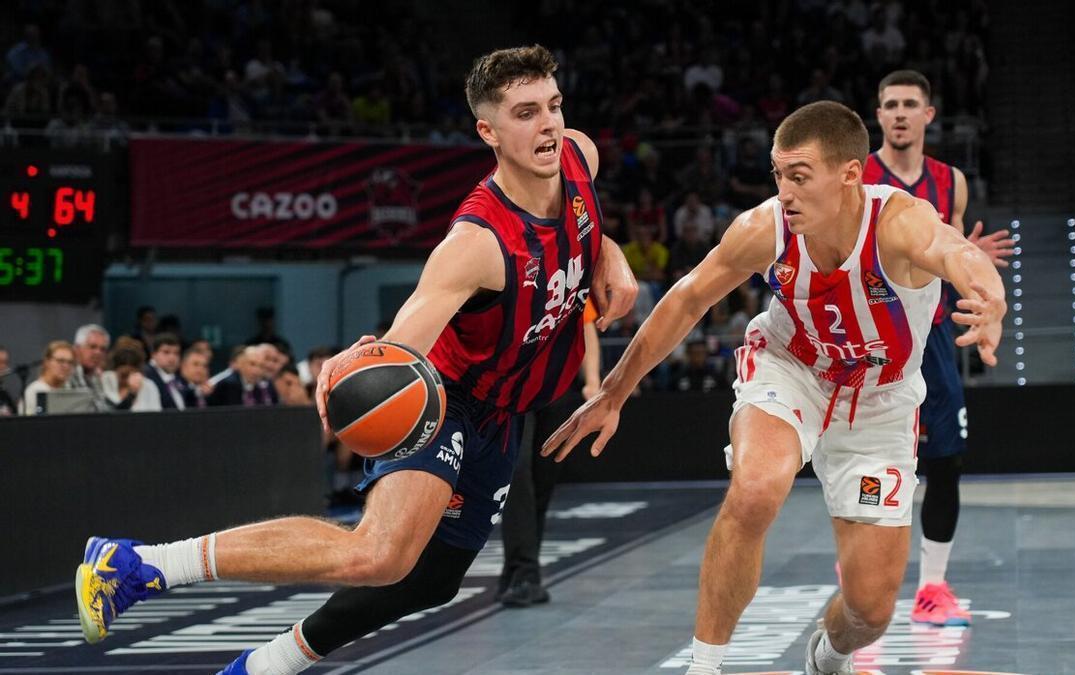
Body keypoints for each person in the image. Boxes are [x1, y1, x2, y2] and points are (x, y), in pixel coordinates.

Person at [75, 44, 636, 675]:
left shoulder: (578, 155)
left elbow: (581, 225)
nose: (549, 125)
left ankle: (259, 666)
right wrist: (365, 359)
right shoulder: (475, 243)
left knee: (434, 579)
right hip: (443, 400)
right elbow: (404, 346)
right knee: (378, 555)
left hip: (505, 416)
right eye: (527, 113)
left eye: (554, 106)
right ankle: (140, 565)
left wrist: (609, 253)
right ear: (489, 132)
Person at [543, 101, 1006, 675]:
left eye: (800, 177)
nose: (784, 192)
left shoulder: (898, 223)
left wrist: (991, 301)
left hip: (880, 403)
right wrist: (613, 392)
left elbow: (959, 254)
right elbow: (689, 297)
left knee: (871, 608)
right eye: (779, 175)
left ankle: (829, 656)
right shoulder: (766, 228)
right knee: (757, 487)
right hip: (792, 368)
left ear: (850, 175)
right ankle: (704, 666)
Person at [863, 69, 1014, 627]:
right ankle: (860, 569)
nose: (899, 113)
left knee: (946, 457)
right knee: (873, 460)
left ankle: (931, 588)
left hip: (931, 335)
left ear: (928, 115)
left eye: (909, 104)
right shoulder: (859, 177)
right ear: (877, 115)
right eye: (889, 105)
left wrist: (962, 254)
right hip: (873, 332)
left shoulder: (950, 180)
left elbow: (942, 242)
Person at [498, 298, 602, 607]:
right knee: (517, 476)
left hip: (557, 388)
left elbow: (585, 327)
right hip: (511, 391)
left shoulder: (569, 265)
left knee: (542, 482)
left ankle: (518, 572)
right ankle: (525, 573)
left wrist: (593, 382)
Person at [20, 340, 75, 415]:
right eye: (60, 361)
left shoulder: (70, 390)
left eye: (70, 362)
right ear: (47, 362)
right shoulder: (34, 392)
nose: (66, 366)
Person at [67, 324, 111, 412]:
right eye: (92, 347)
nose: (98, 353)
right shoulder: (65, 375)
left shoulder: (98, 378)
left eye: (102, 349)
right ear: (76, 349)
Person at [143, 334, 187, 411]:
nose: (172, 358)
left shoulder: (178, 378)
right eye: (166, 352)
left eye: (176, 353)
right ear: (153, 354)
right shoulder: (145, 376)